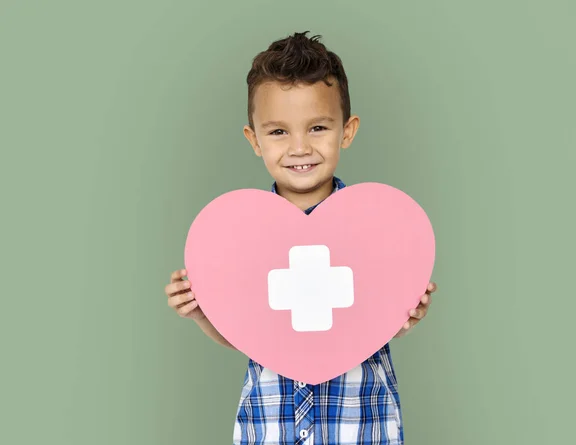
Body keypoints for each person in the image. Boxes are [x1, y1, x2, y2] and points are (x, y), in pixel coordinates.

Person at [164, 31, 438, 445]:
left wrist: (405, 313)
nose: (299, 147)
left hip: (360, 425)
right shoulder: (242, 239)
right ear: (253, 139)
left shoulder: (375, 230)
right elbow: (245, 332)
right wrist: (202, 313)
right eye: (278, 132)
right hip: (270, 427)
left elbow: (373, 320)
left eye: (317, 127)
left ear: (346, 131)